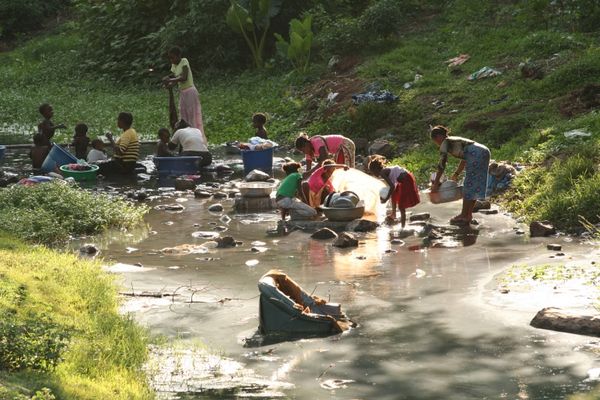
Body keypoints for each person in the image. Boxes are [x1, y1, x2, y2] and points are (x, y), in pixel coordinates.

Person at [430, 125, 490, 224]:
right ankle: (468, 214)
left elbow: (441, 165)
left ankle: (463, 215)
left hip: (476, 154)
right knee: (474, 184)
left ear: (438, 137)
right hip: (483, 151)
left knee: (468, 185)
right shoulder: (454, 141)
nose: (437, 144)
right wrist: (456, 174)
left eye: (435, 141)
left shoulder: (445, 142)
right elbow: (464, 159)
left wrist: (436, 184)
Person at [164, 46, 205, 139]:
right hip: (183, 93)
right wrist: (168, 82)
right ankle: (186, 137)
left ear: (179, 56)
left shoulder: (184, 61)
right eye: (170, 58)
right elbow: (174, 78)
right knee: (183, 116)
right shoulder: (174, 66)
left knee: (192, 116)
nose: (171, 60)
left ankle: (196, 137)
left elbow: (184, 77)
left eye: (173, 57)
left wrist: (171, 79)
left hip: (190, 91)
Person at [368, 155, 420, 227]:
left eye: (372, 172)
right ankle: (394, 213)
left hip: (406, 180)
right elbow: (392, 187)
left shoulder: (382, 173)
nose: (373, 174)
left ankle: (403, 227)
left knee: (401, 206)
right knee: (394, 195)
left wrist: (386, 199)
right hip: (405, 178)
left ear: (376, 169)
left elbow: (392, 186)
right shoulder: (385, 171)